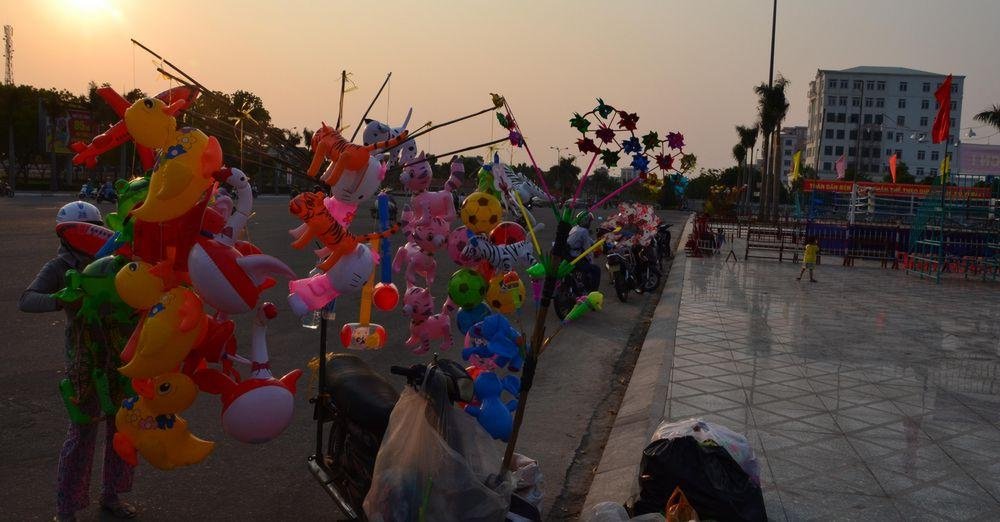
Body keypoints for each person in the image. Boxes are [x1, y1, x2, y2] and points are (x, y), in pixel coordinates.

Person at [19, 202, 136, 521]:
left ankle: (111, 495)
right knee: (82, 432)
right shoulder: (59, 267)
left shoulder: (119, 261)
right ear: (65, 235)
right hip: (84, 361)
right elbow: (27, 300)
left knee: (121, 429)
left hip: (121, 354)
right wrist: (60, 299)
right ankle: (66, 508)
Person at [567, 211, 601, 292]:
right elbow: (588, 250)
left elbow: (590, 241)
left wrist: (598, 242)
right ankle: (593, 292)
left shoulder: (575, 228)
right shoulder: (584, 231)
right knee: (596, 269)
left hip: (568, 256)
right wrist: (591, 261)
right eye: (589, 221)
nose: (590, 223)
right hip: (574, 258)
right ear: (586, 221)